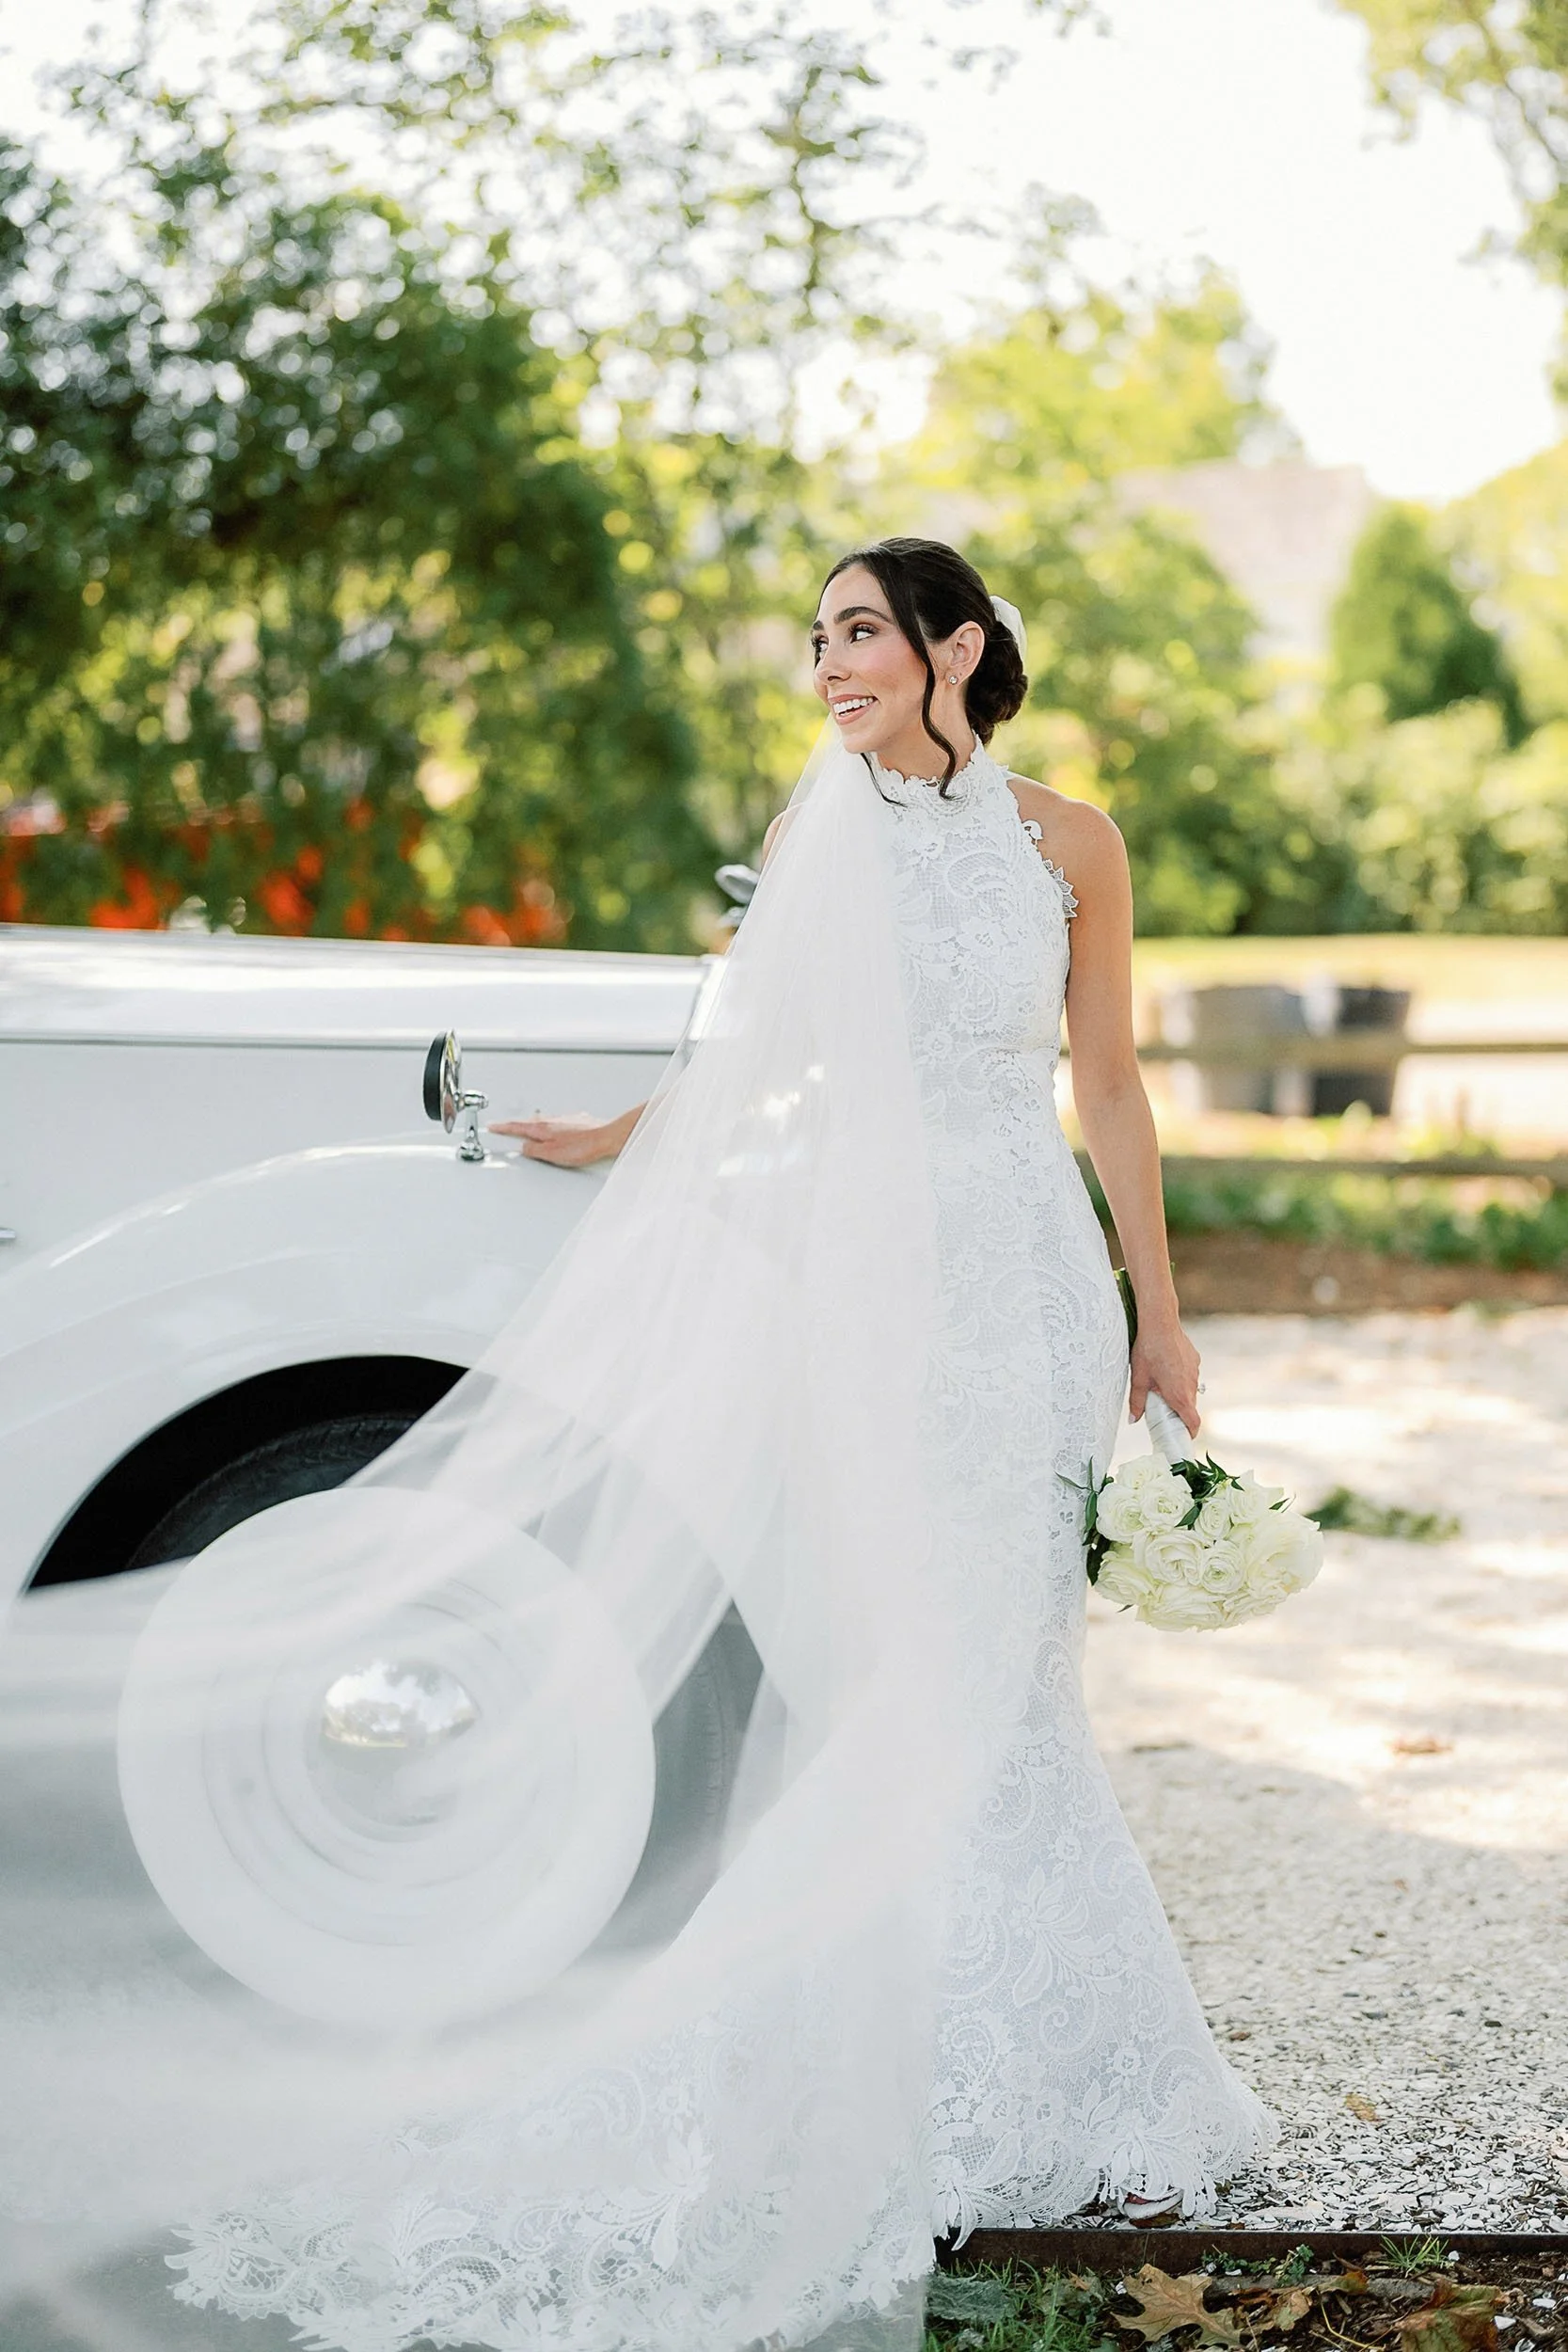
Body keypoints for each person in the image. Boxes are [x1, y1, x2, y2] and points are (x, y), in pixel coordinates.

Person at [1, 539, 1271, 2352]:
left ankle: (1055, 2066)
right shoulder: (828, 828)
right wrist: (611, 1136)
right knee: (897, 1660)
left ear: (953, 648)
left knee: (1013, 1666)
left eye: (854, 633)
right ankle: (865, 2064)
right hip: (874, 1283)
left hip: (1028, 1284)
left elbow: (1113, 1085)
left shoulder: (1073, 843)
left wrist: (1154, 1308)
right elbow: (763, 1060)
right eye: (819, 638)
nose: (825, 665)